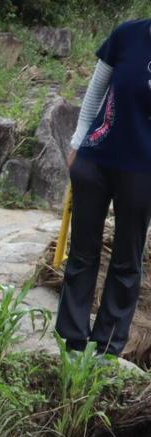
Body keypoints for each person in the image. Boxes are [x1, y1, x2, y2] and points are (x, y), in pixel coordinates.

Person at [56, 16, 151, 357]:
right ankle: (73, 340)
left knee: (127, 258)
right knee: (82, 252)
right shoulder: (129, 34)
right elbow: (97, 89)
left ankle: (108, 347)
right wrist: (77, 142)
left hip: (144, 169)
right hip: (96, 157)